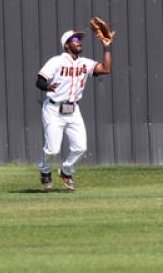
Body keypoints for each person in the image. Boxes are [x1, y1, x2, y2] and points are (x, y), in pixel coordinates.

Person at [35, 27, 113, 190]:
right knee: (52, 149)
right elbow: (40, 81)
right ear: (66, 45)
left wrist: (106, 46)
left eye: (79, 40)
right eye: (74, 40)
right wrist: (48, 87)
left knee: (80, 147)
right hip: (54, 109)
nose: (79, 42)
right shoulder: (56, 61)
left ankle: (66, 172)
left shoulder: (84, 63)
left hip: (73, 110)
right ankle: (44, 170)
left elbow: (106, 69)